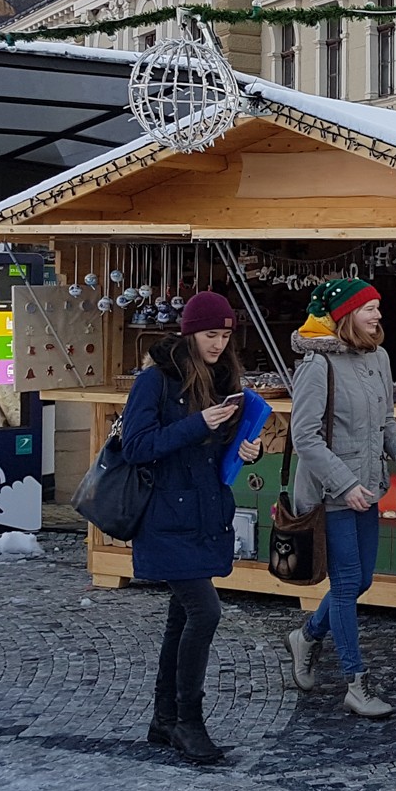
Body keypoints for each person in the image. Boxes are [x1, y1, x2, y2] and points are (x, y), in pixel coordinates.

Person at [119, 292, 262, 766]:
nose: (218, 344)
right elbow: (137, 446)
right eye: (209, 335)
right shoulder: (154, 381)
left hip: (203, 512)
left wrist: (244, 451)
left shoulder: (223, 380)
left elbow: (211, 452)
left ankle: (164, 719)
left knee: (182, 617)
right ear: (189, 333)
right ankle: (188, 722)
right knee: (205, 613)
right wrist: (198, 423)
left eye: (224, 335)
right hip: (164, 516)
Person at [285, 279, 396, 718]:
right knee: (345, 584)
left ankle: (306, 635)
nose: (378, 316)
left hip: (369, 486)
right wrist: (345, 484)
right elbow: (303, 436)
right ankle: (355, 682)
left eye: (379, 307)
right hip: (332, 493)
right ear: (346, 316)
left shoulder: (378, 358)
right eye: (369, 309)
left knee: (362, 580)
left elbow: (385, 421)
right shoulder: (316, 365)